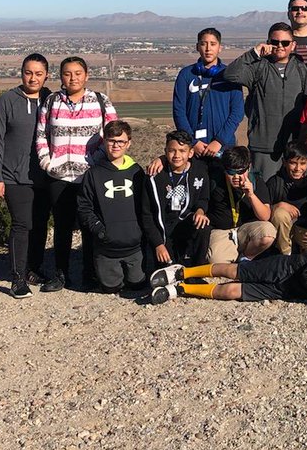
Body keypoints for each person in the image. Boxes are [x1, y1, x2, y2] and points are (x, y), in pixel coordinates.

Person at [149, 220, 307, 308]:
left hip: (284, 292)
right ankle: (182, 271)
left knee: (230, 291)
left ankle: (182, 289)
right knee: (233, 269)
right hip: (286, 268)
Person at [35, 56, 118, 291]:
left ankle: (90, 274)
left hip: (89, 176)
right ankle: (60, 274)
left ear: (86, 75)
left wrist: (96, 161)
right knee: (62, 227)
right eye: (68, 73)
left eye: (78, 73)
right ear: (61, 77)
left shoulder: (101, 101)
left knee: (89, 225)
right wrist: (46, 163)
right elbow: (41, 134)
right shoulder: (51, 102)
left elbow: (112, 134)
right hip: (58, 176)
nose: (73, 78)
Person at [0, 53, 53, 299]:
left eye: (38, 73)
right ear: (21, 73)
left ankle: (32, 269)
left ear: (46, 75)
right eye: (28, 72)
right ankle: (17, 277)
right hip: (14, 176)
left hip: (45, 175)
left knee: (39, 225)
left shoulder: (52, 99)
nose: (33, 77)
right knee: (21, 224)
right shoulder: (8, 101)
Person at [223, 22, 307, 183]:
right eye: (275, 42)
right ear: (268, 42)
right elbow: (230, 74)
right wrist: (254, 53)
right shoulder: (259, 66)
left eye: (285, 43)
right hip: (263, 147)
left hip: (292, 148)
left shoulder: (300, 69)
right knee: (264, 194)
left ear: (293, 45)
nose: (280, 46)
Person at [77, 120, 152, 294]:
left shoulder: (137, 172)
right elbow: (84, 207)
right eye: (111, 140)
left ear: (129, 143)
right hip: (107, 248)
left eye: (121, 141)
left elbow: (146, 206)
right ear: (104, 142)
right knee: (110, 288)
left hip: (135, 246)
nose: (116, 145)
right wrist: (100, 231)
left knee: (138, 285)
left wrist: (141, 232)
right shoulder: (93, 174)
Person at [172, 27, 244, 162]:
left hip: (223, 148)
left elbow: (237, 112)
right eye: (203, 43)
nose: (208, 48)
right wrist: (193, 142)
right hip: (194, 150)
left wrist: (219, 141)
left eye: (213, 44)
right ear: (197, 47)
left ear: (220, 47)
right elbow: (178, 111)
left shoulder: (230, 75)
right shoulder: (186, 75)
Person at [143, 130, 211, 269]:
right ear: (165, 151)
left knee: (203, 225)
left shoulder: (200, 172)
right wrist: (158, 244)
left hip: (184, 224)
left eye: (182, 150)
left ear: (190, 153)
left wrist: (200, 211)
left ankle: (197, 270)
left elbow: (203, 198)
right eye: (172, 151)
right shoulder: (154, 176)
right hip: (162, 230)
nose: (177, 155)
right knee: (168, 270)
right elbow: (147, 215)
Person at [205, 145, 281, 263]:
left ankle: (246, 257)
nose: (236, 177)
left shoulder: (256, 181)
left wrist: (251, 195)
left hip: (246, 230)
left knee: (268, 233)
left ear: (249, 167)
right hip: (222, 231)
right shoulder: (214, 181)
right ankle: (231, 254)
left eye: (241, 171)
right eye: (231, 172)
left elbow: (265, 216)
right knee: (215, 260)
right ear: (224, 169)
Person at [256, 142, 307, 256]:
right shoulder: (275, 182)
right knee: (280, 214)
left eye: (302, 163)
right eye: (293, 163)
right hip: (281, 230)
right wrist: (277, 206)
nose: (298, 168)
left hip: (305, 228)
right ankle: (285, 255)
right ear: (284, 162)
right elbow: (263, 210)